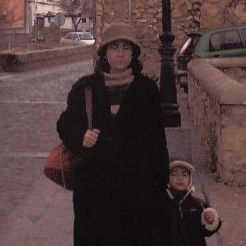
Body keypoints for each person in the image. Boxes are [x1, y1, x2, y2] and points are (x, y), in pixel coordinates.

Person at [57, 23, 170, 245]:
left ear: (133, 54)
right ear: (104, 53)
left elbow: (158, 143)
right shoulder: (85, 88)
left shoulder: (147, 90)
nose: (120, 54)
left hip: (137, 194)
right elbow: (64, 125)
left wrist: (160, 185)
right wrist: (81, 137)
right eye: (114, 48)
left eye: (126, 48)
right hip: (95, 194)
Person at [166, 160, 221, 246]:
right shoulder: (162, 206)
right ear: (167, 179)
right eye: (174, 174)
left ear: (189, 180)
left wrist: (211, 220)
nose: (180, 178)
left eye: (184, 175)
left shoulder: (198, 205)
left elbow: (207, 231)